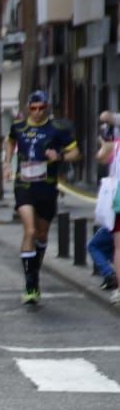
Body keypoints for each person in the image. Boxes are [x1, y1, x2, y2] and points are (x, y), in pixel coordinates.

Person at [5, 89, 80, 305]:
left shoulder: (58, 129)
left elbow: (76, 153)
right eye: (33, 108)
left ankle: (34, 270)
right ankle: (30, 284)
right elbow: (10, 141)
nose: (37, 112)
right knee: (29, 229)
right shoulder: (18, 127)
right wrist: (7, 163)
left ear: (47, 107)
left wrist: (60, 156)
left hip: (46, 186)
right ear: (28, 108)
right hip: (24, 185)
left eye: (41, 108)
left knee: (41, 233)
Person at [89, 119, 120, 300]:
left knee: (118, 247)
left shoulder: (115, 146)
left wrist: (105, 143)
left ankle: (115, 283)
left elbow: (99, 157)